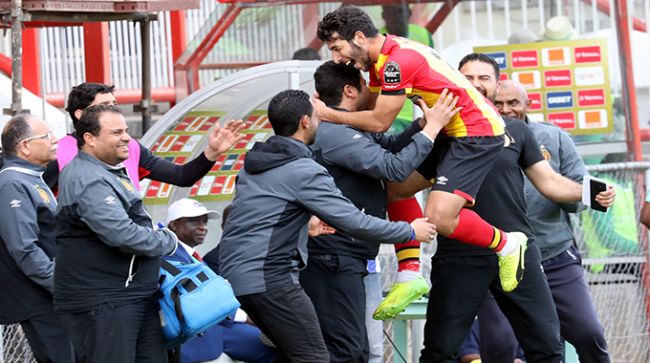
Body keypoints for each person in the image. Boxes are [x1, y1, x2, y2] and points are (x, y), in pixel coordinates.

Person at [316, 8, 526, 316]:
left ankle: (507, 243)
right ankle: (410, 274)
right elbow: (375, 107)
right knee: (395, 189)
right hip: (445, 126)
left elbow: (378, 122)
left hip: (475, 132)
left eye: (337, 47)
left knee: (439, 217)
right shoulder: (382, 59)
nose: (336, 58)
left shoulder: (396, 63)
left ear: (359, 37)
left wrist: (325, 113)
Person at [210, 89, 436, 362]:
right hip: (271, 278)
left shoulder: (256, 162)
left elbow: (256, 215)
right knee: (315, 356)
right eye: (319, 116)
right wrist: (410, 231)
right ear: (305, 122)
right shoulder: (302, 169)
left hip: (240, 276)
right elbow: (353, 220)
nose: (324, 122)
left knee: (296, 353)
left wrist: (304, 225)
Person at [418, 53, 615, 362]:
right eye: (468, 78)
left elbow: (549, 182)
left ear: (497, 84)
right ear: (456, 81)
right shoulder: (442, 131)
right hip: (461, 255)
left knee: (552, 346)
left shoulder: (521, 132)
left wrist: (591, 193)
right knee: (453, 349)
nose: (476, 85)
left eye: (484, 78)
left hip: (521, 250)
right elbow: (403, 185)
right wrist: (424, 131)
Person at [301, 61, 458, 362]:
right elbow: (394, 167)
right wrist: (434, 129)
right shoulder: (336, 134)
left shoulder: (351, 128)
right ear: (350, 91)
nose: (374, 90)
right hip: (333, 255)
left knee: (365, 350)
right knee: (346, 350)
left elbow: (388, 146)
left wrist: (422, 125)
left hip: (352, 255)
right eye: (365, 84)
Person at [476, 80, 611, 362]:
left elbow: (577, 192)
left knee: (589, 334)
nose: (505, 109)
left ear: (528, 105)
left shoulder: (554, 138)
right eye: (498, 103)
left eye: (513, 103)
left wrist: (591, 195)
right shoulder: (473, 137)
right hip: (498, 258)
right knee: (499, 343)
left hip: (554, 255)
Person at [54, 104, 179, 362]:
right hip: (105, 300)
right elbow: (122, 234)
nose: (126, 138)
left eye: (126, 131)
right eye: (115, 132)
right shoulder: (88, 177)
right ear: (89, 138)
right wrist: (168, 240)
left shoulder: (103, 171)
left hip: (129, 296)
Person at [43, 82, 244, 192]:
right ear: (80, 114)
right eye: (105, 106)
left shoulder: (130, 147)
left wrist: (212, 152)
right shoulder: (57, 152)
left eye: (114, 105)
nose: (113, 110)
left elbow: (182, 177)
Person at [164, 198, 278, 363]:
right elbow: (202, 303)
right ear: (174, 225)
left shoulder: (192, 256)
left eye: (204, 221)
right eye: (194, 222)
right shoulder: (170, 256)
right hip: (200, 336)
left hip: (223, 328)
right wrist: (247, 318)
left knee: (287, 347)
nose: (203, 227)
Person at [0, 114, 74, 363]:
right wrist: (60, 285)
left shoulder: (30, 178)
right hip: (39, 297)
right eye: (46, 136)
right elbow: (24, 248)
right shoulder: (12, 182)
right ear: (25, 146)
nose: (55, 141)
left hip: (50, 294)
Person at [379, 3, 434, 134]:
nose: (396, 17)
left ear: (409, 13)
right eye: (390, 12)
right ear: (383, 15)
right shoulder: (376, 38)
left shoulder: (423, 34)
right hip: (389, 112)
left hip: (420, 110)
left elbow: (432, 68)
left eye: (400, 11)